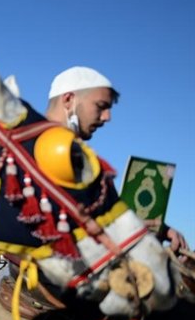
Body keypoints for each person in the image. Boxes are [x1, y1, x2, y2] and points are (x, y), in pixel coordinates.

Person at [45, 66, 189, 254]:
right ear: (68, 100)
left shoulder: (83, 156)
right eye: (101, 106)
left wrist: (159, 229)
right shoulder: (33, 151)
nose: (107, 117)